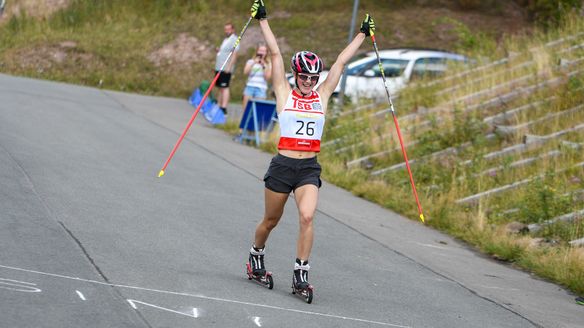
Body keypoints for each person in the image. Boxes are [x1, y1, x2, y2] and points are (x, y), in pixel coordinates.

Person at [247, 0, 375, 291]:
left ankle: (300, 272)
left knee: (307, 216)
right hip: (282, 165)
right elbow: (276, 54)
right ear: (296, 75)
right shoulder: (284, 92)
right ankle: (256, 255)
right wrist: (262, 19)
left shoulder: (323, 95)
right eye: (304, 76)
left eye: (313, 77)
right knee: (270, 220)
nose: (308, 81)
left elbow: (341, 62)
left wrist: (362, 34)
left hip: (308, 167)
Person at [215, 22, 240, 116]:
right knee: (220, 87)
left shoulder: (234, 39)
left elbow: (235, 53)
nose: (227, 31)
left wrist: (229, 67)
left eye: (228, 29)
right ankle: (218, 104)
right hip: (219, 66)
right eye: (225, 29)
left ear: (232, 29)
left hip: (226, 68)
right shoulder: (226, 39)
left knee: (225, 87)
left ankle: (223, 107)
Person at [242, 42, 272, 111]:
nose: (261, 52)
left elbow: (267, 77)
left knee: (258, 110)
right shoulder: (250, 61)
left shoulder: (269, 64)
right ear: (257, 51)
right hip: (250, 87)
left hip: (261, 88)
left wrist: (263, 66)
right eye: (260, 50)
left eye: (264, 51)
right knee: (246, 109)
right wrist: (253, 63)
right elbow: (245, 72)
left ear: (266, 53)